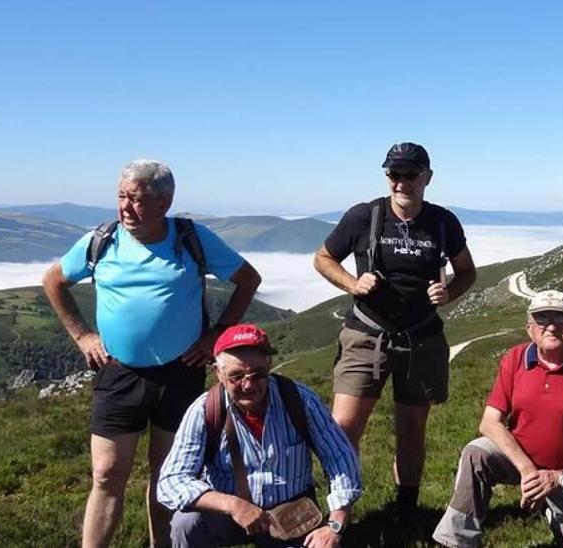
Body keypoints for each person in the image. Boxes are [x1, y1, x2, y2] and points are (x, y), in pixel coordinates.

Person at [41, 159, 262, 548]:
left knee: (168, 478)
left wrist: (216, 336)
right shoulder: (102, 240)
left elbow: (248, 279)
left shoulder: (192, 238)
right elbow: (54, 281)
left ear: (165, 202)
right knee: (107, 474)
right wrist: (82, 337)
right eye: (122, 197)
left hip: (180, 373)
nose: (126, 207)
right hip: (118, 372)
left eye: (138, 200)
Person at [313, 142, 477, 528]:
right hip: (366, 335)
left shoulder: (443, 222)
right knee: (344, 430)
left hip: (421, 338)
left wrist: (448, 293)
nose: (401, 182)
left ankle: (406, 510)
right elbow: (322, 258)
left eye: (410, 174)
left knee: (411, 428)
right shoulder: (363, 216)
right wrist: (353, 284)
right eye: (394, 174)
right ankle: (340, 514)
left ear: (427, 178)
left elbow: (467, 271)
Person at [432, 290, 563, 547]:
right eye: (541, 319)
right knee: (476, 453)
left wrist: (559, 478)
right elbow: (489, 423)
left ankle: (552, 507)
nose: (550, 326)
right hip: (522, 463)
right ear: (530, 329)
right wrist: (529, 471)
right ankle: (455, 539)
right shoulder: (515, 359)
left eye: (560, 318)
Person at [157, 324, 362, 548]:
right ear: (217, 372)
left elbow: (339, 457)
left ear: (269, 366)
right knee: (186, 524)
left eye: (258, 374)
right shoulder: (205, 410)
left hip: (290, 513)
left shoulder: (299, 400)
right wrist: (233, 505)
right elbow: (171, 481)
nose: (248, 385)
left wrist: (335, 524)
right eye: (236, 376)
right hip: (227, 514)